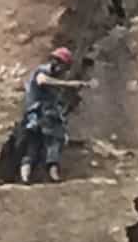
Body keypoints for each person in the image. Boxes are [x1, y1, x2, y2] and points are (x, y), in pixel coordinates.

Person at [18, 44, 88, 183]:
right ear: (57, 62)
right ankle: (30, 176)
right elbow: (42, 81)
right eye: (63, 66)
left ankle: (44, 175)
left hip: (43, 115)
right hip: (39, 115)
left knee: (46, 144)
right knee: (43, 144)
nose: (63, 70)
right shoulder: (44, 71)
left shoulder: (54, 77)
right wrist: (69, 84)